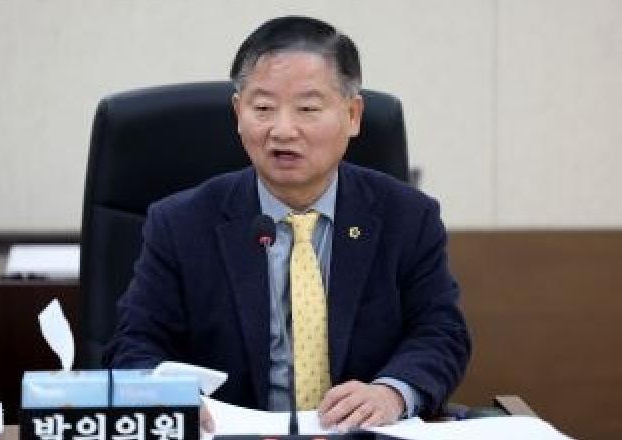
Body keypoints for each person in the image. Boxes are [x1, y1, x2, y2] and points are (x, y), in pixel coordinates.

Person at [105, 16, 471, 431]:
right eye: (262, 108)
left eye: (308, 109)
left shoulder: (407, 217)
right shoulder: (180, 223)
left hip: (358, 434)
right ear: (238, 113)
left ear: (352, 115)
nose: (282, 130)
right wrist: (167, 396)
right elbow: (134, 342)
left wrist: (391, 393)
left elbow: (440, 332)